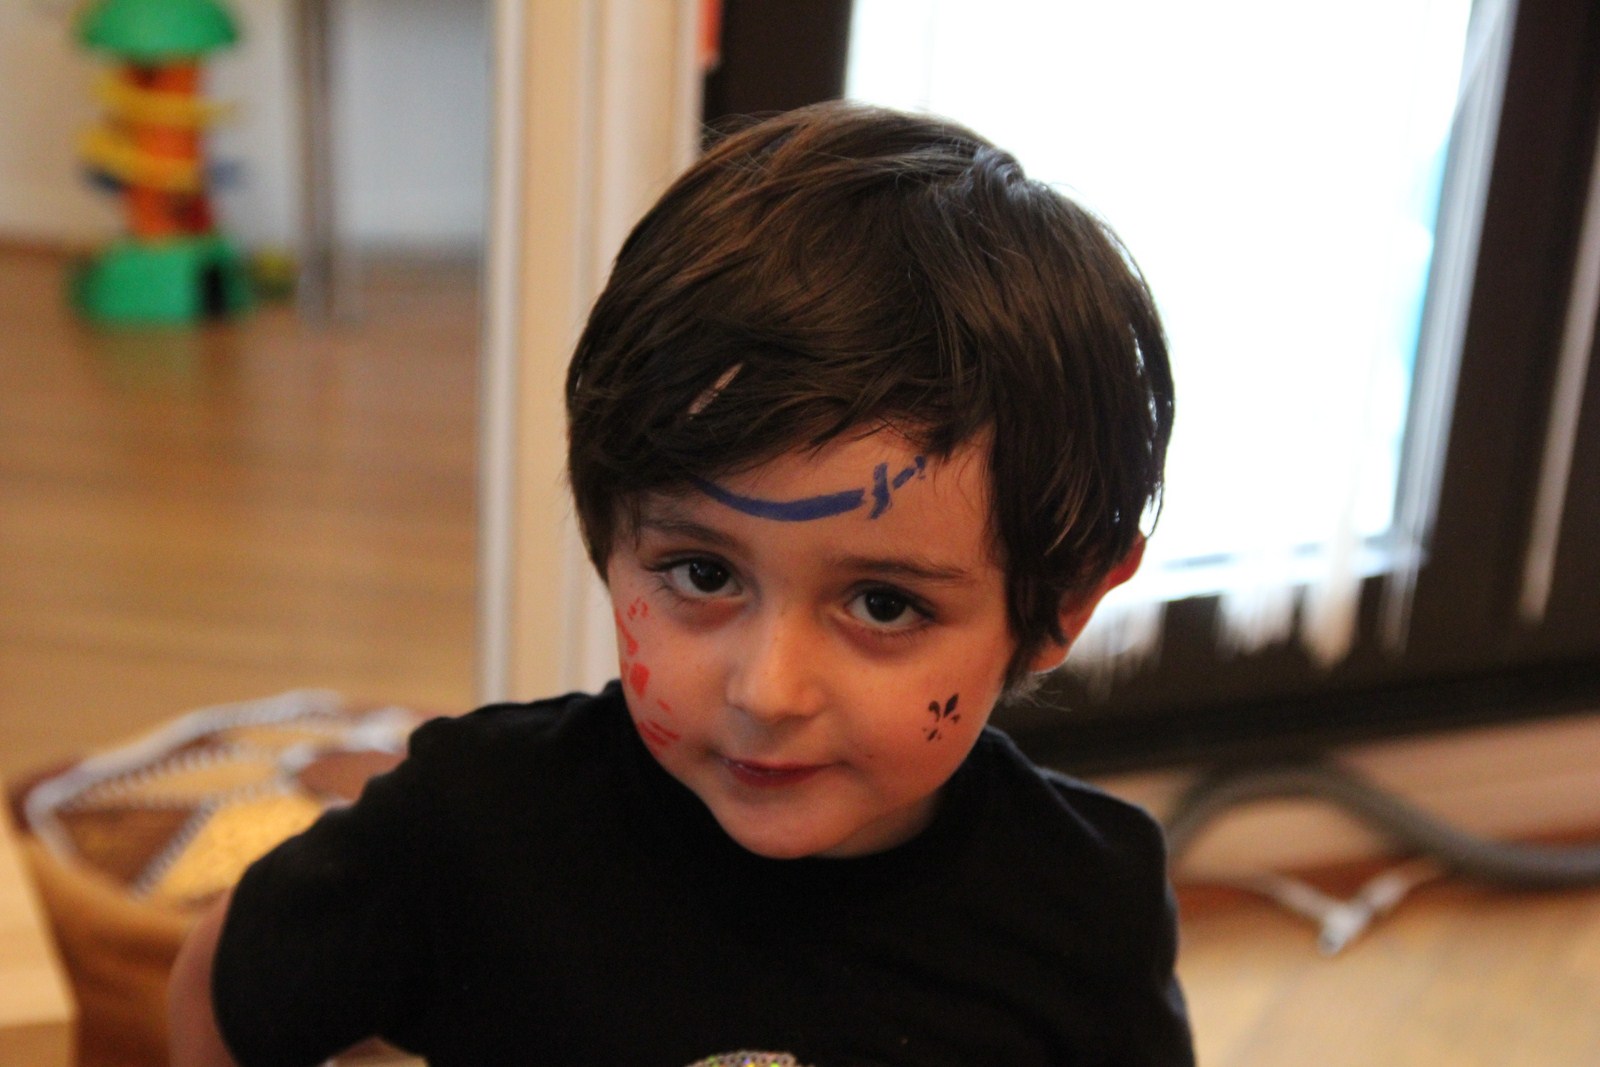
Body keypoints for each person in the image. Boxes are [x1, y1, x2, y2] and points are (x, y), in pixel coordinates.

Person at [169, 100, 1193, 1066]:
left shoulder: (1087, 906)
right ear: (610, 536)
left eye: (884, 604)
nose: (767, 689)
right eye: (704, 573)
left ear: (1063, 604)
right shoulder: (470, 831)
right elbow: (224, 990)